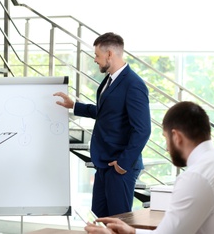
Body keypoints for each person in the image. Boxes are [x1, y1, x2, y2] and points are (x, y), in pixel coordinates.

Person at [84, 101, 214, 234]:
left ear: (176, 136)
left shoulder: (196, 177)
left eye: (166, 138)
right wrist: (133, 231)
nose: (167, 148)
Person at [54, 32, 151, 217]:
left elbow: (143, 129)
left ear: (109, 54)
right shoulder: (109, 80)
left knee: (118, 221)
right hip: (104, 163)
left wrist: (123, 163)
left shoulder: (133, 84)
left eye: (97, 55)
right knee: (101, 216)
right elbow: (106, 112)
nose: (95, 60)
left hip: (119, 166)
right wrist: (74, 105)